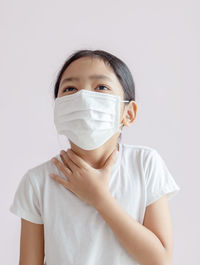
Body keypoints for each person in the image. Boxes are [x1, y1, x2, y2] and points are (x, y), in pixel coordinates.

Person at [9, 49, 181, 265]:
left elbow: (161, 260)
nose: (83, 97)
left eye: (101, 87)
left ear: (128, 113)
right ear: (58, 110)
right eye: (70, 88)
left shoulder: (145, 165)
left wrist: (99, 197)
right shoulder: (38, 182)